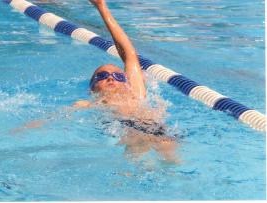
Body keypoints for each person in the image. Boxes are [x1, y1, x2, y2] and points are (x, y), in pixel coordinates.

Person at [13, 0, 179, 163]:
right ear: (92, 89)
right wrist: (23, 130)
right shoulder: (88, 104)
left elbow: (128, 53)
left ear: (126, 82)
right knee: (139, 157)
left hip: (159, 130)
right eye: (102, 75)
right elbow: (53, 118)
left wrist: (102, 7)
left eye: (118, 76)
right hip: (127, 130)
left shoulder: (136, 92)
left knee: (171, 163)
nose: (110, 77)